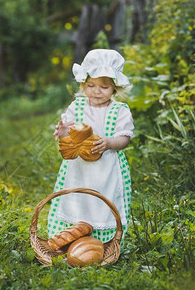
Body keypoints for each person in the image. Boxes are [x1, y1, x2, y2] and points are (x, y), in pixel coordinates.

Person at [48, 49, 134, 246]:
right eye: (91, 85)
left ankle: (103, 242)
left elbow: (124, 138)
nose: (96, 91)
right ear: (83, 84)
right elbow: (68, 133)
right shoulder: (77, 106)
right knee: (77, 198)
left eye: (104, 87)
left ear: (115, 88)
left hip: (107, 169)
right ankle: (71, 238)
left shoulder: (119, 111)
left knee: (103, 201)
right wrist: (62, 132)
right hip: (78, 168)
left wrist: (109, 143)